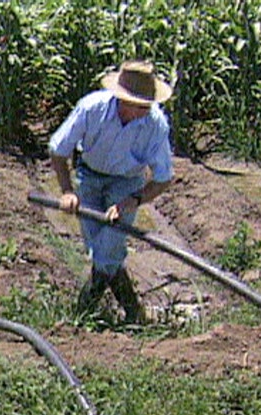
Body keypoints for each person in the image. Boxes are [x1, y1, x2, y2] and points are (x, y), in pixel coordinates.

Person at [47, 60, 174, 323]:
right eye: (139, 104)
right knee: (104, 251)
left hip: (127, 183)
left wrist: (133, 200)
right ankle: (135, 314)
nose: (144, 110)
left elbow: (163, 178)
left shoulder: (155, 124)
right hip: (89, 178)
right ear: (122, 99)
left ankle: (80, 314)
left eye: (147, 104)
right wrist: (67, 192)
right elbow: (58, 150)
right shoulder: (92, 109)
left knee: (107, 249)